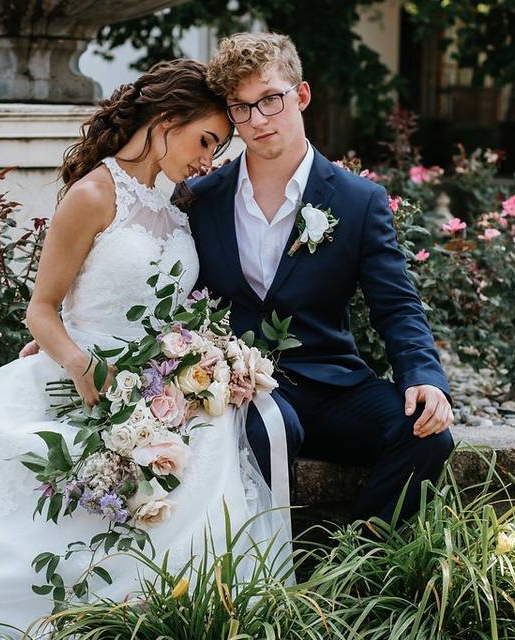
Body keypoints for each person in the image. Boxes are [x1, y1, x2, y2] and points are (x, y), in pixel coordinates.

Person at [0, 59, 294, 638]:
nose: (209, 160)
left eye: (217, 149)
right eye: (206, 141)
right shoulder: (93, 194)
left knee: (213, 438)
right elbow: (41, 310)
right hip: (81, 377)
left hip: (155, 388)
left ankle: (181, 605)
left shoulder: (175, 208)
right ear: (166, 120)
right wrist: (78, 361)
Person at [184, 32, 454, 524]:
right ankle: (269, 574)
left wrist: (424, 378)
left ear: (301, 95)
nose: (258, 119)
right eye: (240, 109)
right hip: (243, 388)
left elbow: (396, 306)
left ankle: (352, 568)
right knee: (272, 431)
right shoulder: (201, 198)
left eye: (270, 99)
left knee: (429, 435)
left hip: (332, 384)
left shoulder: (357, 200)